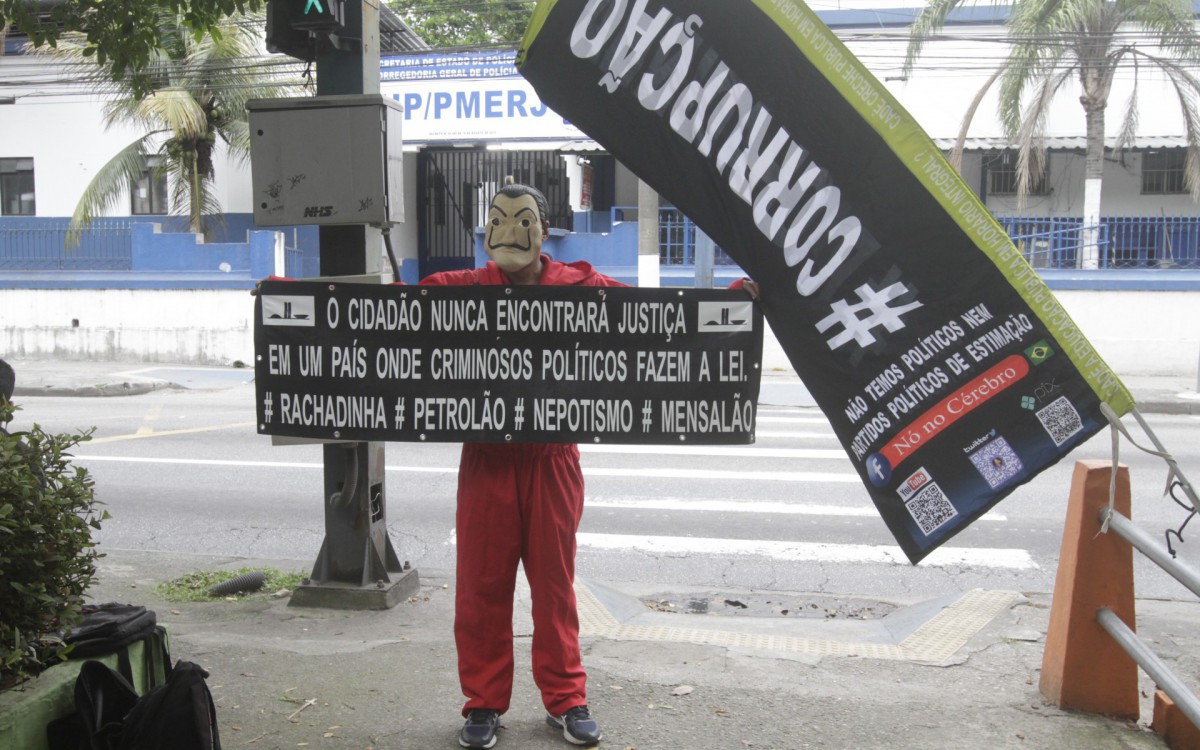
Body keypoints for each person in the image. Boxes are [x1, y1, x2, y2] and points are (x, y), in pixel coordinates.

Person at [420, 183, 620, 748]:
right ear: (486, 229)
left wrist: (731, 303)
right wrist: (289, 301)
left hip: (552, 458)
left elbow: (657, 323)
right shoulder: (461, 290)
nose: (510, 230)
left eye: (522, 219)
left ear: (544, 227)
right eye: (499, 219)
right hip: (487, 459)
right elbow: (380, 314)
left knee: (555, 587)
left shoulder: (584, 288)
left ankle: (566, 698)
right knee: (481, 586)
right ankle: (483, 703)